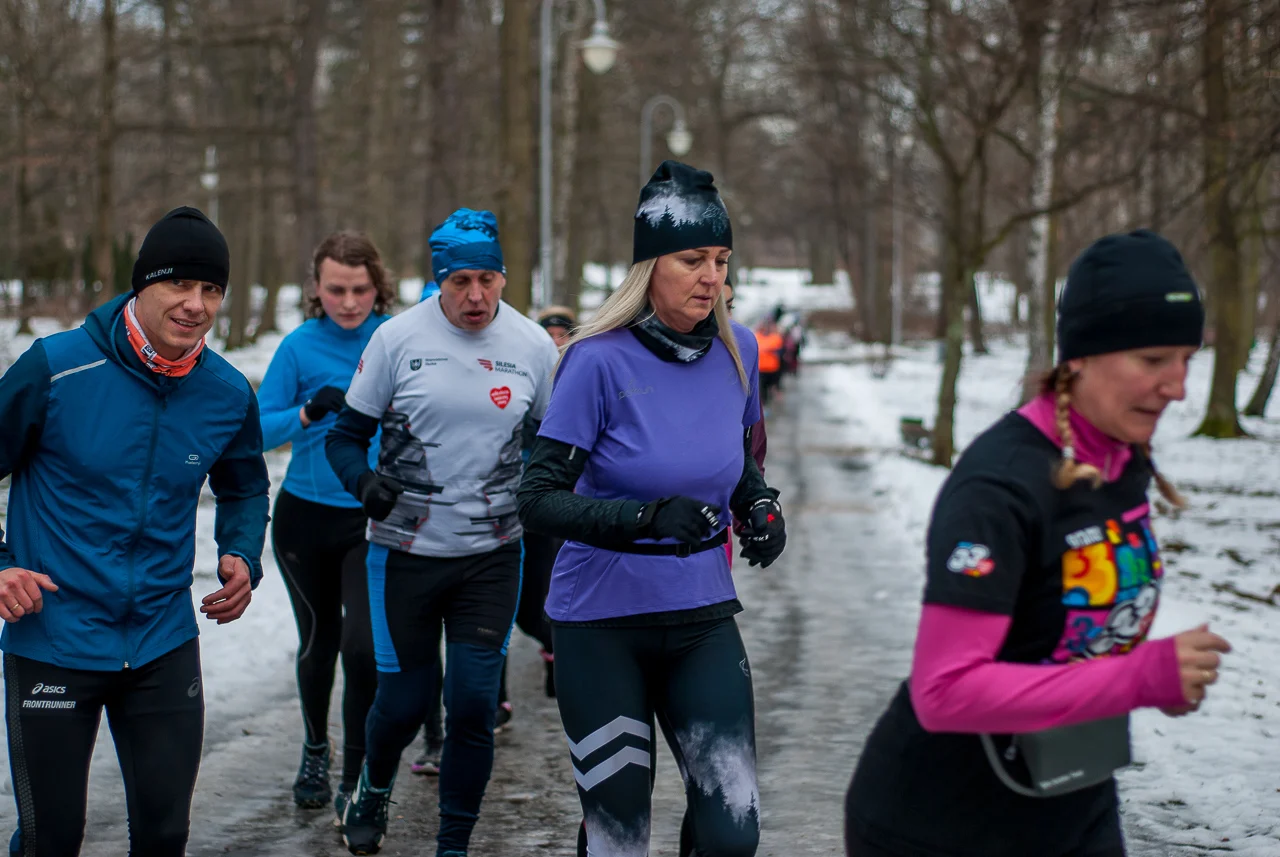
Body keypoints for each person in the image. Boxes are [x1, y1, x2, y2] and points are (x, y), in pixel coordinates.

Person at [843, 229, 1234, 857]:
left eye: (1187, 359)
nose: (1179, 386)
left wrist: (1146, 674)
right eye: (1154, 359)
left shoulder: (1120, 456)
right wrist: (1139, 677)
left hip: (1073, 803)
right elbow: (944, 692)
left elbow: (1068, 631)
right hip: (942, 826)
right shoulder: (998, 487)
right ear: (1080, 356)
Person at [517, 161, 788, 857]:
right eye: (692, 259)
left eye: (721, 260)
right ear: (648, 267)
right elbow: (537, 501)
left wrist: (758, 503)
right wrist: (643, 519)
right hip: (600, 624)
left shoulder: (739, 349)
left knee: (733, 832)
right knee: (619, 836)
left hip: (701, 617)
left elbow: (736, 458)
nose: (711, 277)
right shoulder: (595, 360)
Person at [0, 206, 270, 857]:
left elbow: (245, 485)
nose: (195, 304)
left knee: (164, 835)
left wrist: (240, 551)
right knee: (50, 839)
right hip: (53, 634)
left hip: (161, 638)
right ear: (141, 284)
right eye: (178, 283)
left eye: (211, 289)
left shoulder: (227, 392)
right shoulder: (55, 367)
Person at [325, 208, 559, 856]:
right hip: (405, 552)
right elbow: (344, 437)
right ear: (440, 280)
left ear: (504, 276)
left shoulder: (533, 346)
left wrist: (550, 498)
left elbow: (554, 445)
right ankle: (373, 784)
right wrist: (364, 484)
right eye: (460, 282)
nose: (475, 295)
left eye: (488, 279)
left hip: (492, 554)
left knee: (474, 704)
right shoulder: (397, 339)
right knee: (404, 701)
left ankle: (453, 842)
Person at [256, 231, 394, 817]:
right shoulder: (298, 347)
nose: (349, 302)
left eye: (360, 289)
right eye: (336, 289)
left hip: (371, 516)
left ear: (377, 286)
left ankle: (358, 772)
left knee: (362, 649)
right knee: (320, 642)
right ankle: (316, 748)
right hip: (305, 520)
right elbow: (256, 431)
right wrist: (309, 411)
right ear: (317, 287)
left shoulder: (396, 339)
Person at [754, 316, 784, 407]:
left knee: (773, 386)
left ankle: (773, 398)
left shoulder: (776, 337)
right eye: (763, 326)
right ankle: (765, 405)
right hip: (761, 369)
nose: (765, 328)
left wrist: (770, 351)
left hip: (773, 368)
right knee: (763, 389)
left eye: (767, 326)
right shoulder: (756, 336)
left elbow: (780, 351)